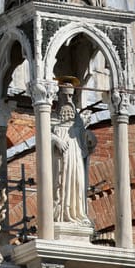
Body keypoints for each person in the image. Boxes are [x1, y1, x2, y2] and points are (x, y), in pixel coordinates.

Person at [52, 85, 95, 224]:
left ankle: (77, 214)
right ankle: (61, 214)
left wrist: (90, 139)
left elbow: (86, 141)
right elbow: (42, 135)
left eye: (71, 96)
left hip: (75, 157)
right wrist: (56, 140)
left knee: (77, 184)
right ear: (59, 97)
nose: (68, 99)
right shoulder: (51, 118)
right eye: (65, 96)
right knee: (61, 184)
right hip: (60, 158)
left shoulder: (78, 122)